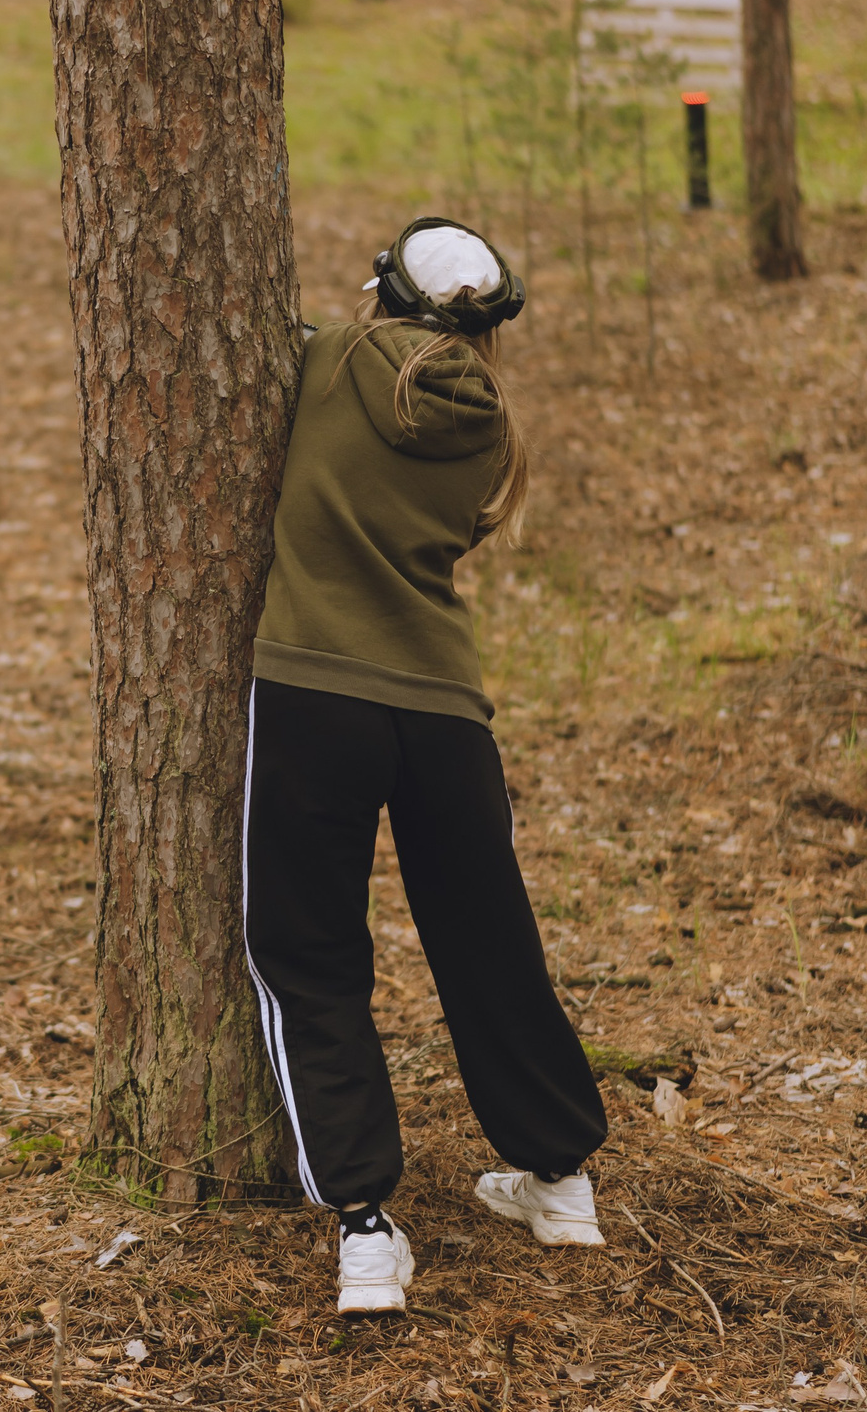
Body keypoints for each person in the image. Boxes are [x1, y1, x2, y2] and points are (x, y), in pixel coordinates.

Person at [244, 217, 610, 1317]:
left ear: (384, 291)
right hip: (446, 713)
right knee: (488, 943)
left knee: (305, 955)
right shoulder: (494, 434)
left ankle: (364, 1229)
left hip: (315, 691)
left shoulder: (323, 360)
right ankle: (559, 1181)